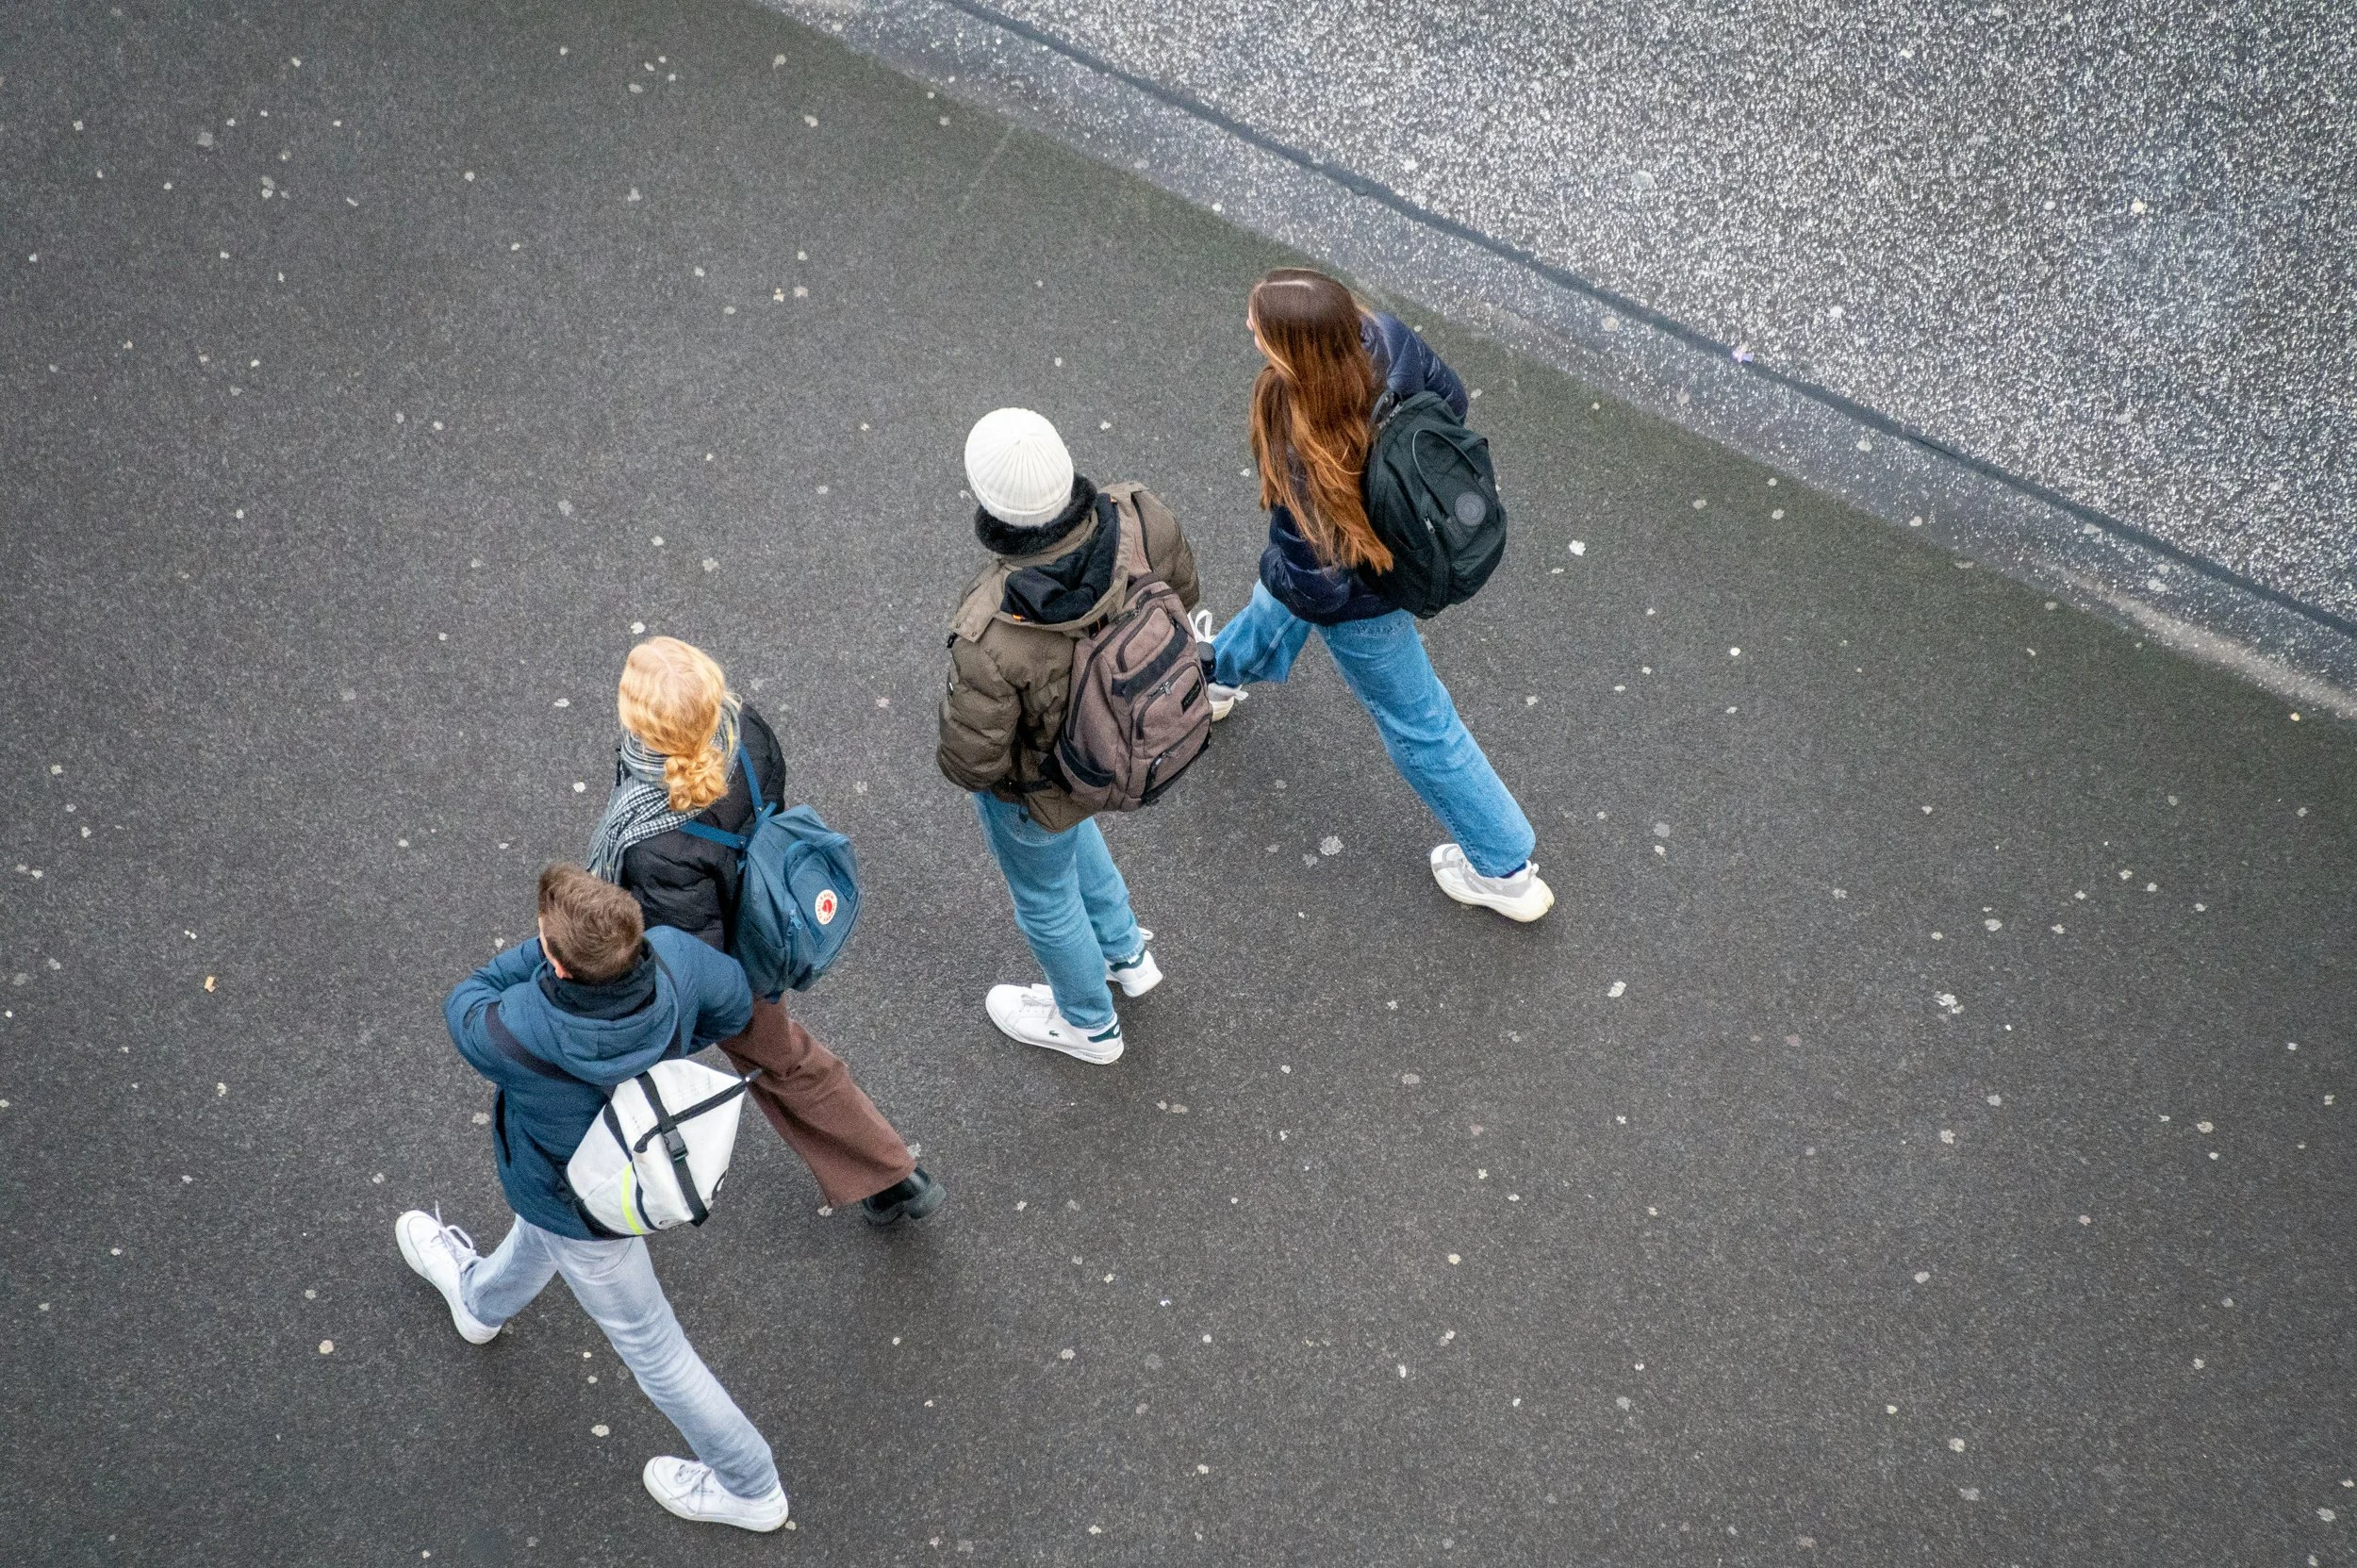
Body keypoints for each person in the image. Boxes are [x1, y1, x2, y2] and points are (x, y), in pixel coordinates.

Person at [395, 864, 789, 1532]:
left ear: (561, 963)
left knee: (656, 1349)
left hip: (571, 1195)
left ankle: (751, 1485)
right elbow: (732, 1006)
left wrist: (543, 952)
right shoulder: (679, 961)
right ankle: (479, 1299)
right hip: (636, 1170)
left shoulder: (517, 1028)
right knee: (542, 1239)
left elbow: (467, 998)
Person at [1200, 267, 1554, 922]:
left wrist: (1287, 569)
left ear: (1294, 351)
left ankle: (1505, 866)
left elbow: (1315, 584)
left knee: (1422, 726)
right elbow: (1452, 400)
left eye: (1261, 325)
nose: (1249, 327)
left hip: (1359, 599)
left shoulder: (1293, 426)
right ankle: (1216, 673)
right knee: (1277, 597)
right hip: (1394, 556)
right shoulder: (1382, 336)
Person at [586, 635, 942, 1227]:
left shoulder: (651, 837)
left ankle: (597, 1177)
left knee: (609, 1051)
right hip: (764, 921)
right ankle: (892, 1175)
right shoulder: (743, 727)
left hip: (726, 963)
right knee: (787, 1060)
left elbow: (687, 954)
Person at [937, 407, 1201, 1063]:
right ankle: (1125, 952)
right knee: (1076, 840)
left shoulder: (993, 628)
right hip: (1118, 749)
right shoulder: (1140, 515)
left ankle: (1088, 1021)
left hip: (1043, 784)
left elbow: (971, 760)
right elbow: (1185, 595)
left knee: (1045, 898)